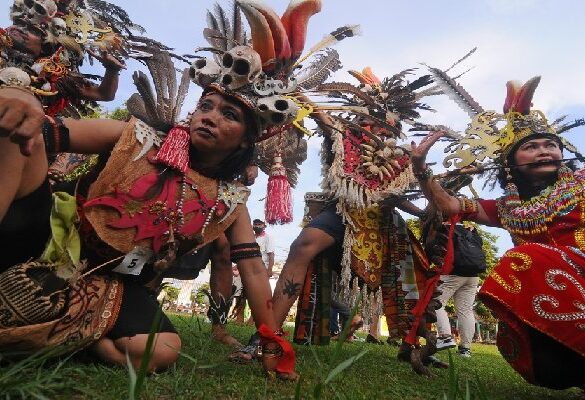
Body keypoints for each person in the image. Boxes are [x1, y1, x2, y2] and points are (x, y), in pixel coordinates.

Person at [0, 0, 336, 378]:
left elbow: (255, 272)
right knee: (17, 128)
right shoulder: (133, 137)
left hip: (112, 286)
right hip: (43, 243)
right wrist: (22, 101)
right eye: (206, 105)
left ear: (246, 141)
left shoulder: (229, 200)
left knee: (161, 351)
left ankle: (75, 334)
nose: (209, 116)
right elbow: (44, 134)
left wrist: (273, 341)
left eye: (228, 115)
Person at [411, 76, 585, 389]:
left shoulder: (582, 185)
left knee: (523, 258)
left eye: (550, 145)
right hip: (554, 296)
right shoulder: (508, 208)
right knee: (540, 358)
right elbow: (450, 205)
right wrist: (422, 170)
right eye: (531, 147)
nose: (543, 151)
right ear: (510, 162)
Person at [429, 223, 485, 357]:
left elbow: (433, 250)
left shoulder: (445, 228)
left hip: (453, 273)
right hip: (473, 276)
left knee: (436, 302)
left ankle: (445, 336)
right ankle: (465, 349)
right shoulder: (471, 230)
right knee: (465, 310)